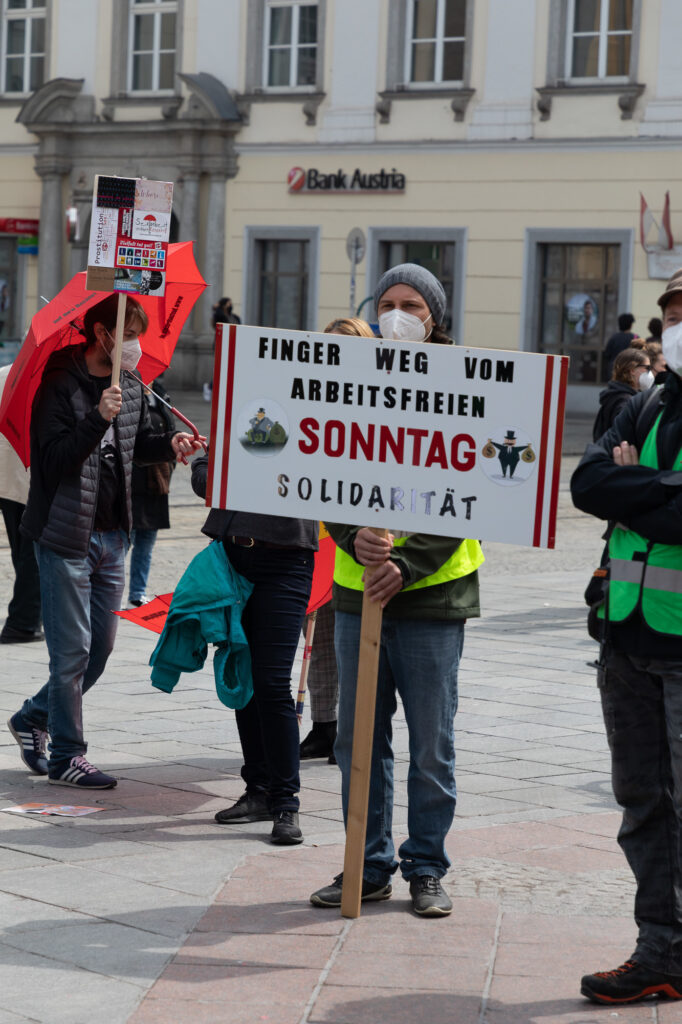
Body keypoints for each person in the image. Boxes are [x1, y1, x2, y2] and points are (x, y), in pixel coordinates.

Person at [309, 264, 484, 917]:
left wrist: (408, 564)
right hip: (360, 597)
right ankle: (367, 863)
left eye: (412, 304)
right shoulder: (351, 379)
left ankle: (427, 867)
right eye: (387, 303)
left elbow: (474, 493)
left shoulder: (465, 384)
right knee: (359, 743)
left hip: (434, 596)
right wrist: (354, 536)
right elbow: (321, 476)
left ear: (435, 316)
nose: (398, 314)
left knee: (431, 742)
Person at [6, 294, 203, 789]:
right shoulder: (59, 384)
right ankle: (68, 756)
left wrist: (170, 444)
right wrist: (97, 417)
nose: (136, 346)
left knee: (100, 650)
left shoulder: (133, 385)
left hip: (114, 534)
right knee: (70, 653)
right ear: (103, 335)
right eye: (130, 334)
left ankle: (33, 717)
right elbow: (50, 463)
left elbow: (133, 450)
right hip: (64, 534)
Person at [570, 267, 682, 1005]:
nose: (677, 326)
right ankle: (660, 953)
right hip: (625, 636)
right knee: (643, 803)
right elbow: (586, 484)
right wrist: (656, 494)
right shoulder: (643, 404)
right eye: (672, 314)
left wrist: (632, 489)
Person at [191, 456, 317, 845]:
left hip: (287, 561)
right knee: (243, 675)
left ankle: (285, 803)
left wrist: (253, 469)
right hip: (232, 558)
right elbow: (203, 478)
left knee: (272, 681)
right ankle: (258, 790)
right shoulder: (236, 411)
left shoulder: (309, 416)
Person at [299, 318, 376, 765]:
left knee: (354, 642)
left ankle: (353, 727)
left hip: (357, 543)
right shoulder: (313, 395)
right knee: (318, 639)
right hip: (316, 535)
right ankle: (325, 726)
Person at [0, 362, 42, 643]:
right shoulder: (49, 376)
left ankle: (28, 616)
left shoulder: (4, 373)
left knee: (22, 551)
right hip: (33, 478)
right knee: (34, 556)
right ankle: (23, 622)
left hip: (6, 477)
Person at [127, 377, 176, 607]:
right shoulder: (127, 392)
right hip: (132, 482)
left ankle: (138, 592)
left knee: (146, 543)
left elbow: (170, 428)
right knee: (123, 541)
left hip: (157, 483)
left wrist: (171, 460)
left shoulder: (159, 394)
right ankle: (106, 589)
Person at [592, 347, 654, 442]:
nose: (650, 373)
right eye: (647, 368)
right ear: (632, 369)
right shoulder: (625, 401)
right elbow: (624, 438)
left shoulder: (615, 394)